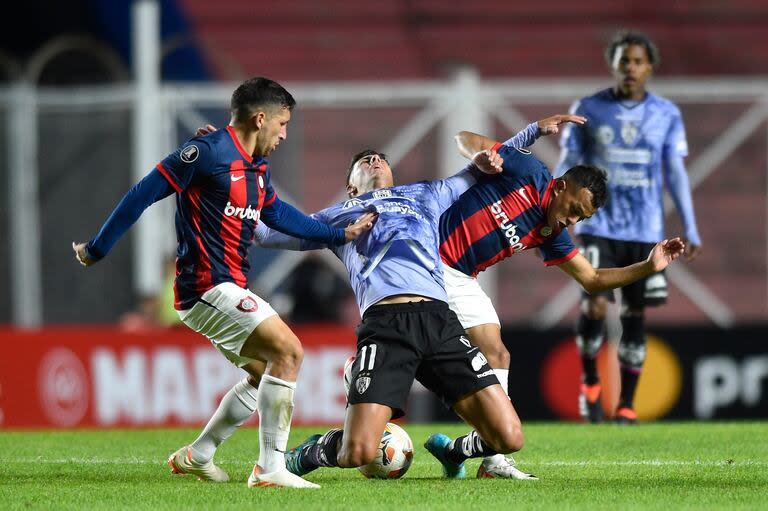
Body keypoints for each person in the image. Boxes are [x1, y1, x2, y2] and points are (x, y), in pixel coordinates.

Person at [252, 131, 685, 482]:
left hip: (441, 308)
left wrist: (648, 266)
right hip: (405, 302)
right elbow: (275, 231)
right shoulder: (341, 216)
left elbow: (589, 277)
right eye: (364, 161)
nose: (375, 161)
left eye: (381, 158)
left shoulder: (425, 194)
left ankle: (466, 450)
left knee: (509, 421)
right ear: (350, 185)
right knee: (361, 450)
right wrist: (234, 195)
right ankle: (326, 438)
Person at [72, 76, 375, 489]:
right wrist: (97, 248)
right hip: (204, 287)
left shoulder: (256, 168)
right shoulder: (206, 153)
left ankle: (199, 455)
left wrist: (340, 234)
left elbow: (283, 217)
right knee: (289, 351)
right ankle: (270, 469)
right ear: (260, 118)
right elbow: (142, 193)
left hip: (227, 286)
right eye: (282, 124)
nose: (284, 134)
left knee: (264, 372)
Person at [555, 30, 703, 424]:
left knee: (635, 313)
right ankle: (590, 382)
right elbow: (567, 163)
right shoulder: (588, 108)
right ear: (613, 65)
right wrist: (548, 211)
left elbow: (674, 171)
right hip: (598, 223)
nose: (631, 68)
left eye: (638, 61)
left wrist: (691, 226)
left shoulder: (666, 114)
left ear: (650, 66)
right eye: (624, 61)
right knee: (595, 300)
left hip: (644, 229)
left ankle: (626, 405)